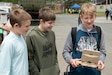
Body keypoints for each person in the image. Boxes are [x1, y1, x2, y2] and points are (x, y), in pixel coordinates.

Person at [62, 3, 106, 75]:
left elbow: (103, 51)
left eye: (91, 17)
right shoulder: (74, 31)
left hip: (94, 72)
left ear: (95, 16)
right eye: (86, 18)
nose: (89, 21)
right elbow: (66, 51)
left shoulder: (99, 32)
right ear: (81, 17)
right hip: (77, 72)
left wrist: (101, 60)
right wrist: (71, 60)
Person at [26, 7, 60, 75]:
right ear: (41, 21)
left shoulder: (52, 33)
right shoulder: (32, 36)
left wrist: (56, 68)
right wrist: (36, 73)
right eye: (50, 23)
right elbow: (29, 58)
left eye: (53, 23)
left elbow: (54, 52)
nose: (52, 25)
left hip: (53, 71)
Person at [0, 8, 32, 75]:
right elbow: (4, 70)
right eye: (26, 26)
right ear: (16, 26)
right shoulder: (8, 43)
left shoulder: (20, 37)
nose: (29, 28)